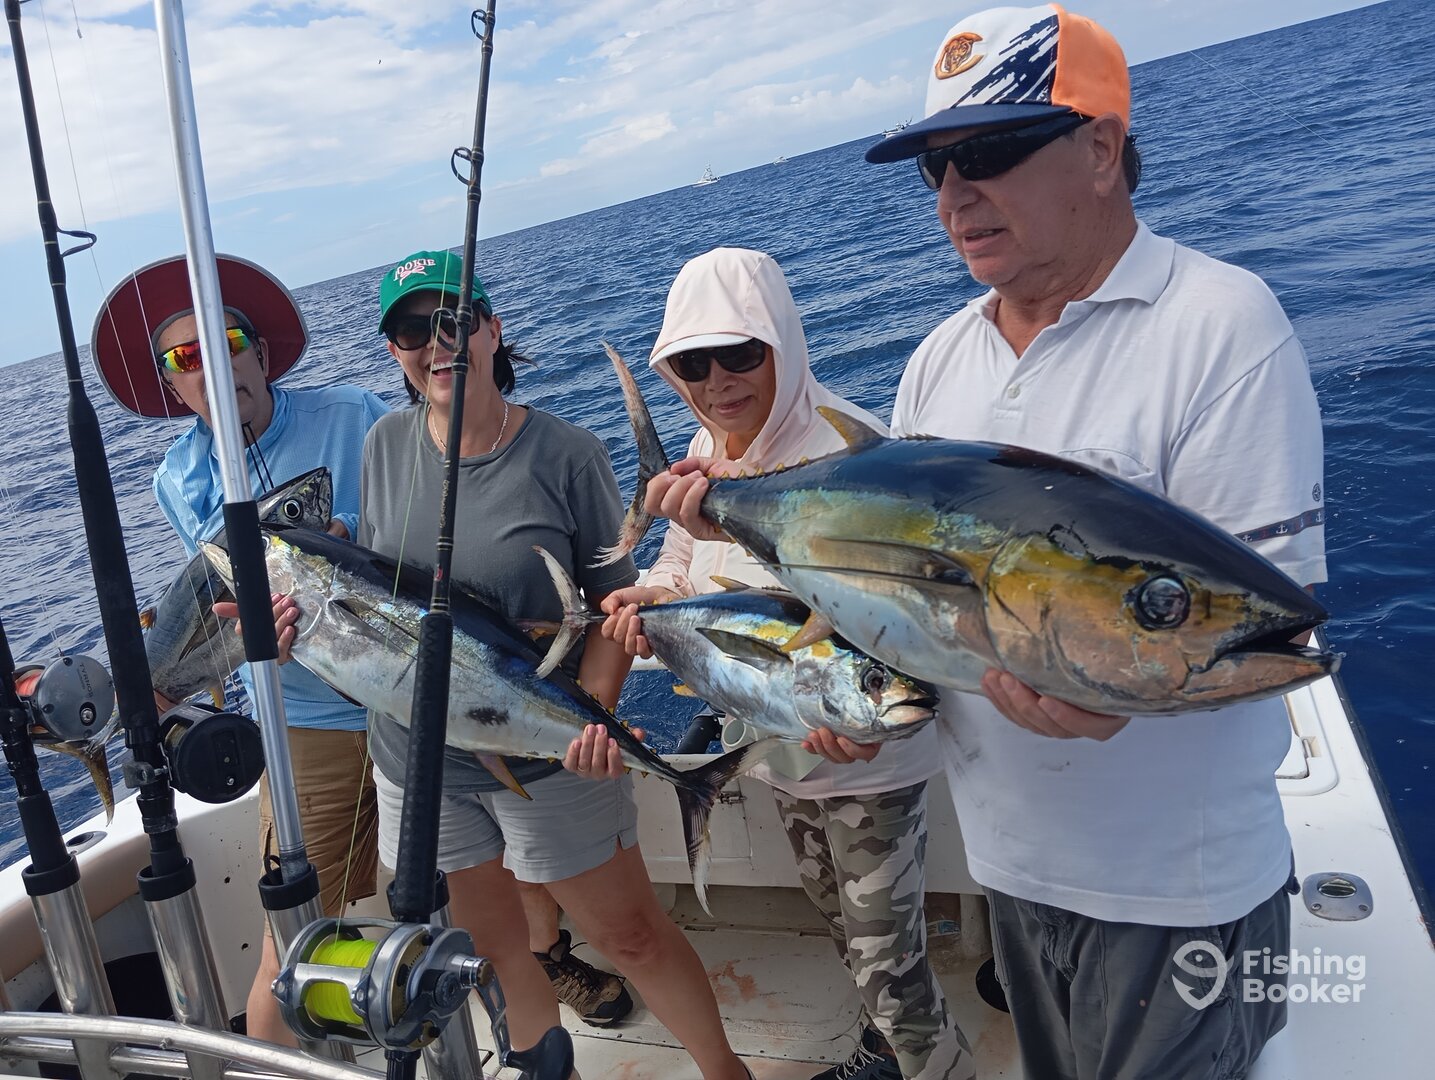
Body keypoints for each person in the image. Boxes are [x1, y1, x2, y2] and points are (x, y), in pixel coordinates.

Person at [653, 6, 1328, 1078]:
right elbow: (890, 603)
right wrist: (843, 696)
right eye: (936, 167)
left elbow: (1252, 624)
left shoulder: (1218, 327)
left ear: (1100, 148)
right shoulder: (938, 360)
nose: (954, 195)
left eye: (991, 153)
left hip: (1176, 887)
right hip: (1011, 867)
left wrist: (1115, 692)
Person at [263, 248, 752, 1079]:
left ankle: (723, 1071)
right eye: (410, 331)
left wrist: (591, 720)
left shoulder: (565, 453)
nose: (435, 342)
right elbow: (383, 598)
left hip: (550, 752)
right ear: (393, 351)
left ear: (493, 329)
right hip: (417, 762)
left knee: (629, 935)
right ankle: (542, 1064)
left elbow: (612, 606)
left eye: (453, 320)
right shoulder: (383, 444)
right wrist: (296, 633)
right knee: (489, 944)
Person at [571, 247, 975, 1080]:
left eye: (740, 354)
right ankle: (881, 1055)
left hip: (866, 760)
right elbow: (682, 559)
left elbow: (895, 612)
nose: (717, 381)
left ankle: (931, 1064)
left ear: (781, 343)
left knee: (888, 971)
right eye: (692, 364)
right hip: (778, 747)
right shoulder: (708, 445)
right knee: (843, 932)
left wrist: (865, 717)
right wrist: (653, 600)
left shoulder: (845, 453)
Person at [90, 254, 389, 1045]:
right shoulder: (177, 477)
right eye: (185, 358)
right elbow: (216, 612)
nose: (212, 368)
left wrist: (352, 545)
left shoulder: (353, 413)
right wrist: (172, 683)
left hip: (409, 687)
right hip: (306, 722)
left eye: (226, 342)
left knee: (477, 874)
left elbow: (420, 528)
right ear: (171, 385)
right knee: (293, 935)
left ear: (259, 352)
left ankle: (545, 956)